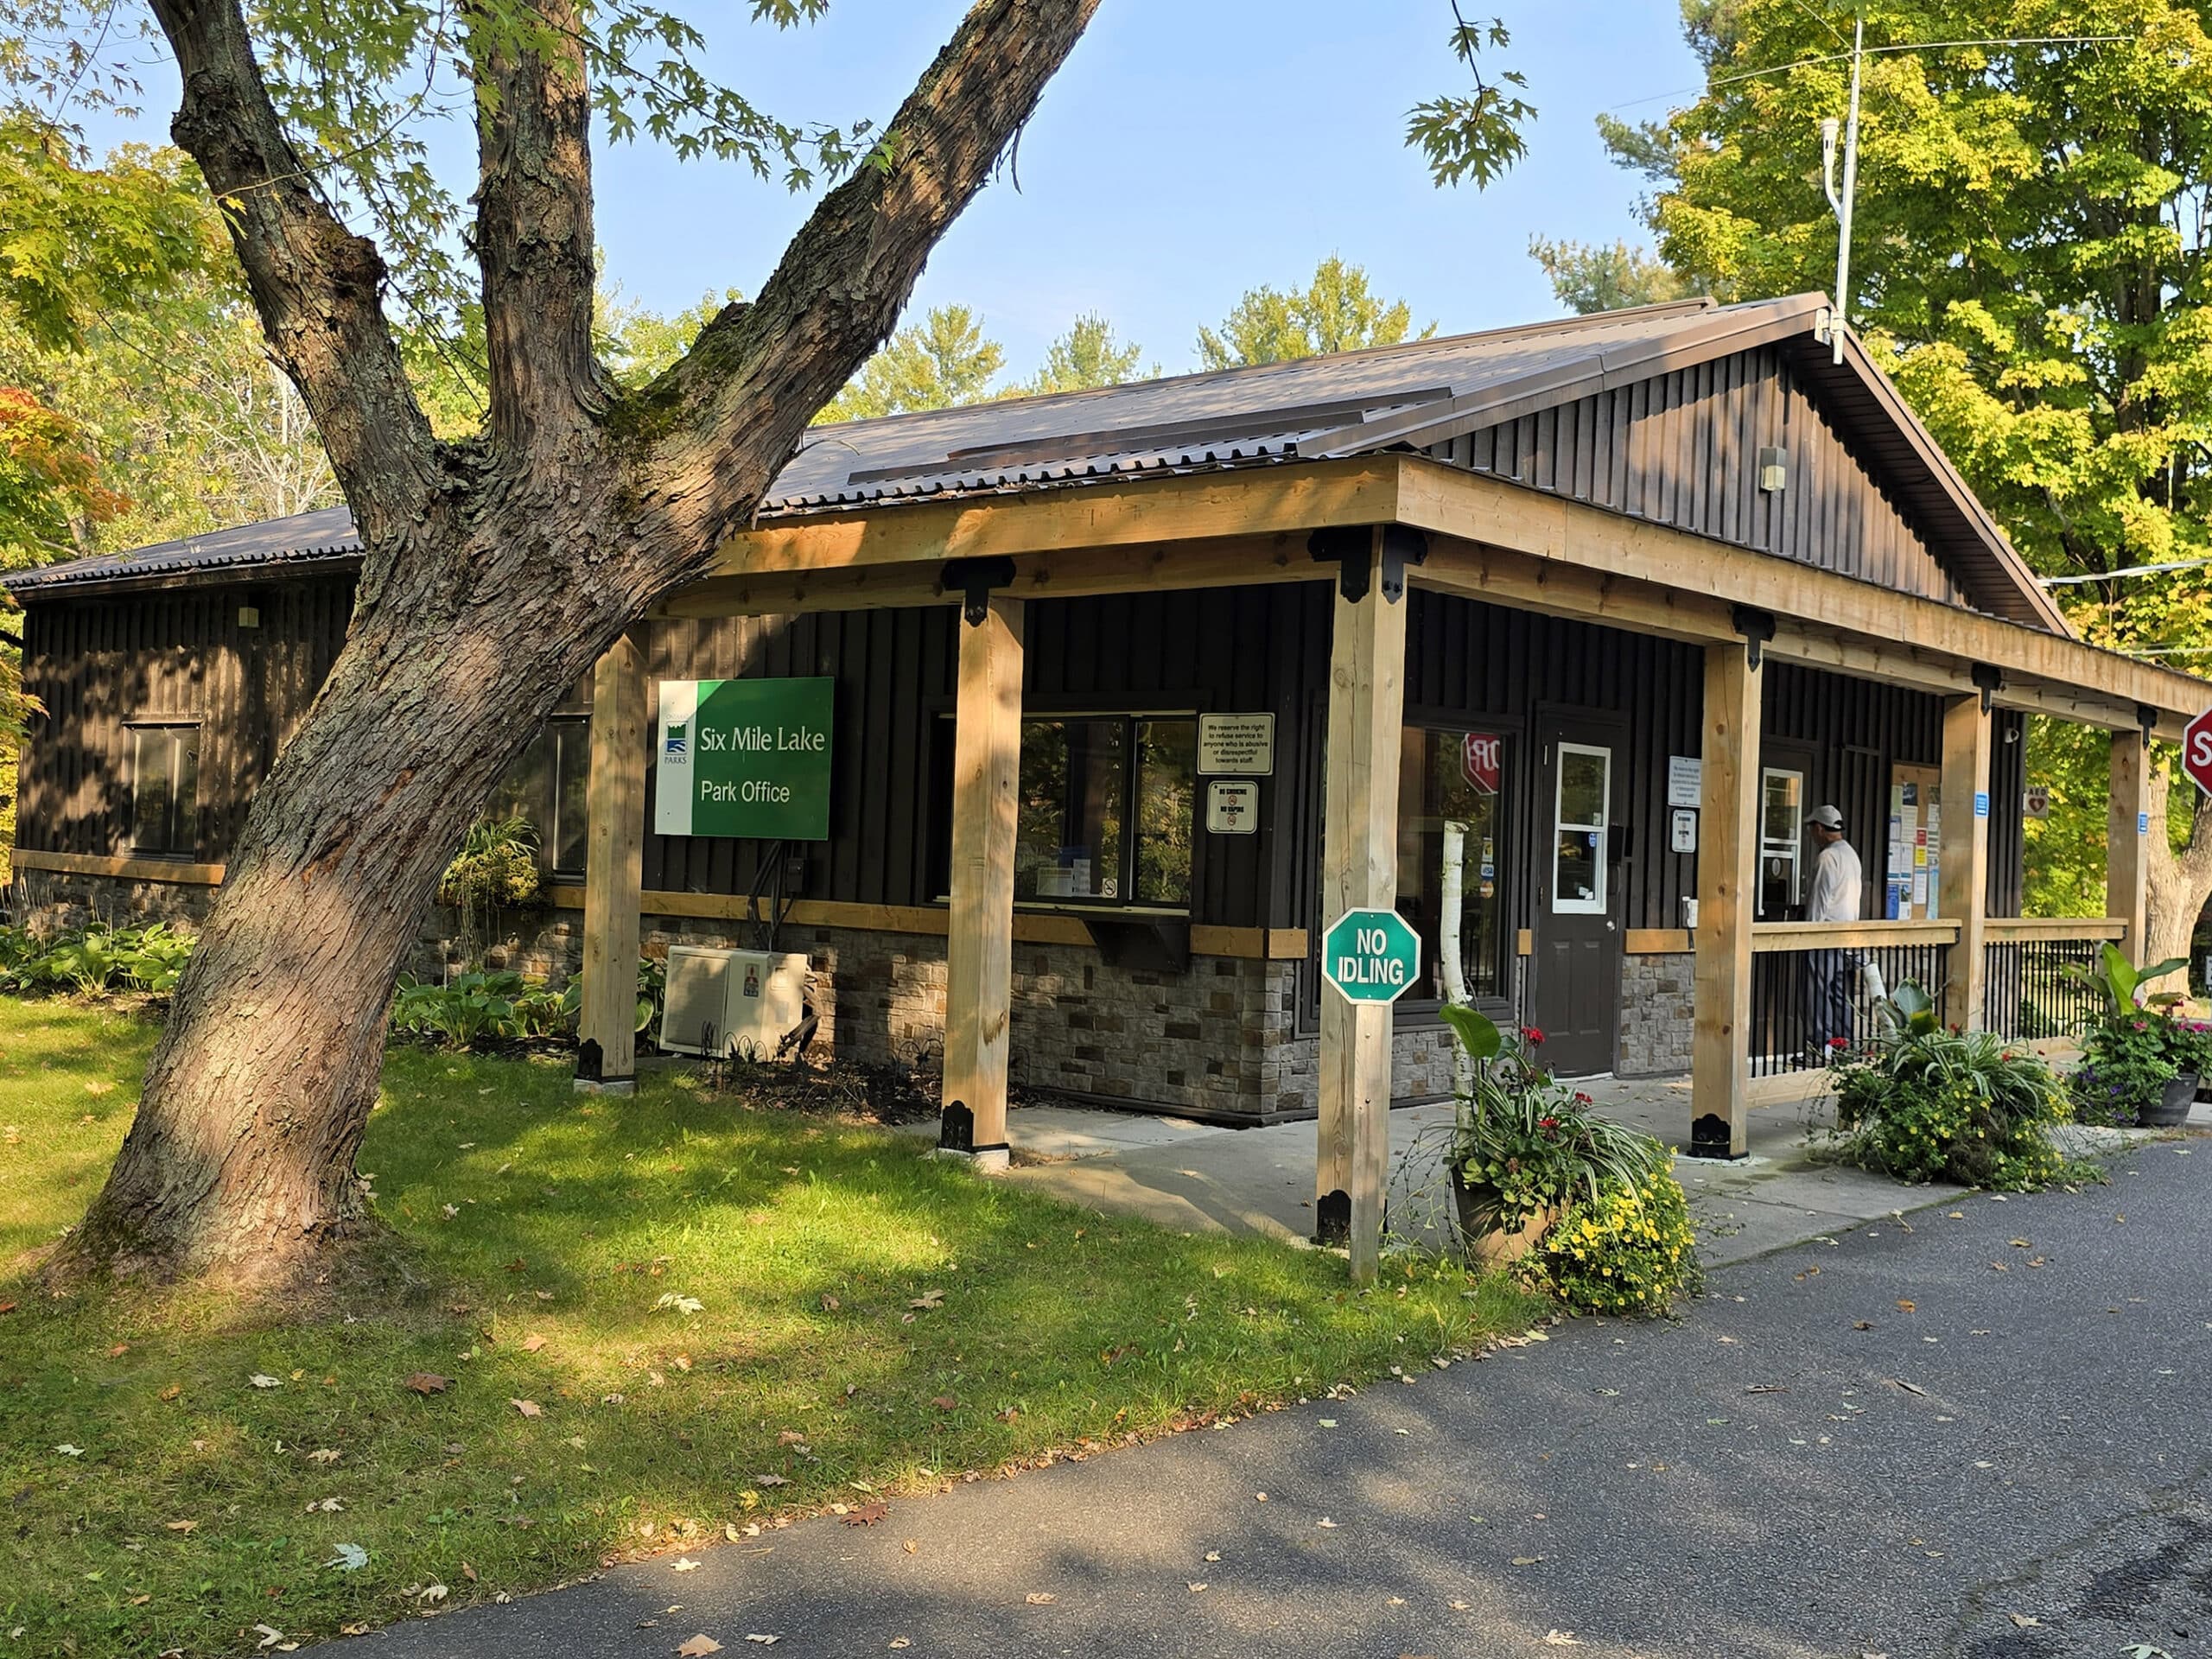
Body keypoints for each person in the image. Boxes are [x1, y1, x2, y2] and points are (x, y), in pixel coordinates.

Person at [1803, 804, 1863, 1054]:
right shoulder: (1850, 854)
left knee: (1818, 993)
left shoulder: (1828, 857)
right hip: (1846, 935)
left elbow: (1820, 900)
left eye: (1811, 829)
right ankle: (1843, 1044)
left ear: (1819, 828)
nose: (1811, 835)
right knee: (1840, 994)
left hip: (1824, 935)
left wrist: (1807, 934)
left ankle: (1822, 1045)